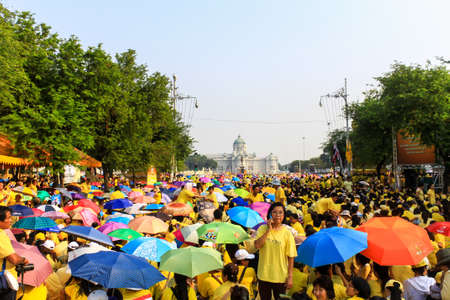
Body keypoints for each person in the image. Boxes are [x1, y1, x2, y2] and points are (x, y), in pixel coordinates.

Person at [254, 202, 297, 300]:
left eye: (280, 212)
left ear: (284, 215)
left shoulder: (287, 233)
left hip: (281, 277)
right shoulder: (262, 229)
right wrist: (268, 230)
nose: (277, 215)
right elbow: (257, 245)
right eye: (274, 212)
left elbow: (291, 256)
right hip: (264, 275)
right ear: (270, 214)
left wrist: (290, 277)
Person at [0, 206, 29, 300]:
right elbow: (14, 259)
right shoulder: (1, 235)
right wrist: (23, 259)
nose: (11, 220)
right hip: (4, 282)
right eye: (8, 218)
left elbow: (8, 253)